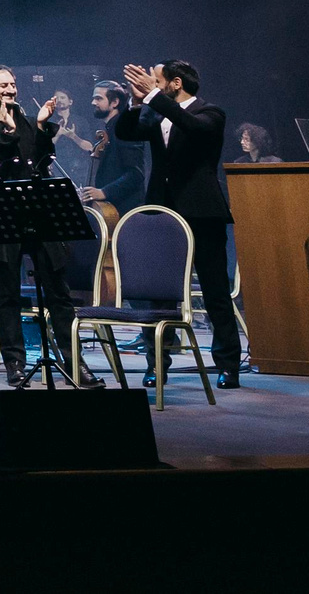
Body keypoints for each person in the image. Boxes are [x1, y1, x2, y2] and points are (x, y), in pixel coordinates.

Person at [0, 65, 101, 389]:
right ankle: (15, 363)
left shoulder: (27, 120)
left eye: (13, 84)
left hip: (39, 212)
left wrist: (39, 127)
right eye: (4, 85)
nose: (11, 90)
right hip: (5, 216)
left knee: (59, 292)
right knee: (8, 294)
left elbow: (42, 160)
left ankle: (74, 362)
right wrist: (9, 135)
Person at [112, 60, 240, 388]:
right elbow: (125, 132)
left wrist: (154, 97)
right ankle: (157, 363)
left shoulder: (210, 112)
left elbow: (191, 127)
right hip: (162, 210)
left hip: (202, 211)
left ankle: (227, 364)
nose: (150, 84)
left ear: (175, 83)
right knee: (158, 294)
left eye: (156, 80)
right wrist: (135, 101)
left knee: (215, 290)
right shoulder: (154, 111)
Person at [82, 83, 147, 212]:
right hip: (110, 209)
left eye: (98, 98)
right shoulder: (110, 129)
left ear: (115, 102)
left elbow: (136, 173)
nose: (93, 102)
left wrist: (104, 192)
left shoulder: (125, 128)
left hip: (124, 209)